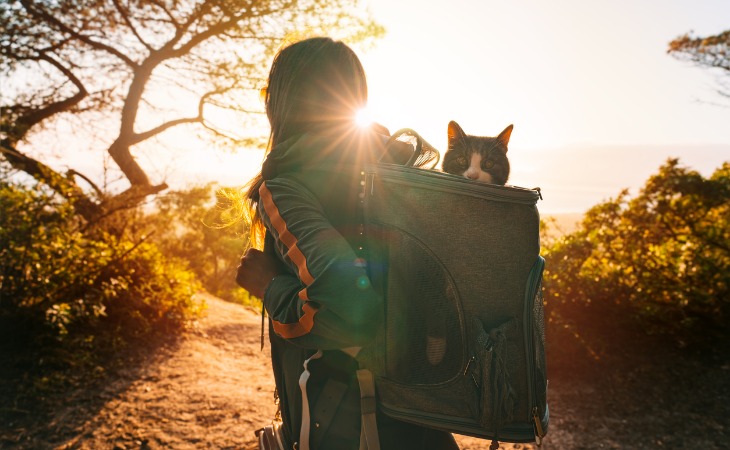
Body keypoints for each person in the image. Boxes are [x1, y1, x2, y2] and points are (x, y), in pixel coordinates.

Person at [235, 37, 460, 450]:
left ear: (283, 101)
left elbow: (352, 314)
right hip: (421, 417)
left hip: (349, 423)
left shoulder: (286, 184)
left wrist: (270, 286)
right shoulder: (399, 165)